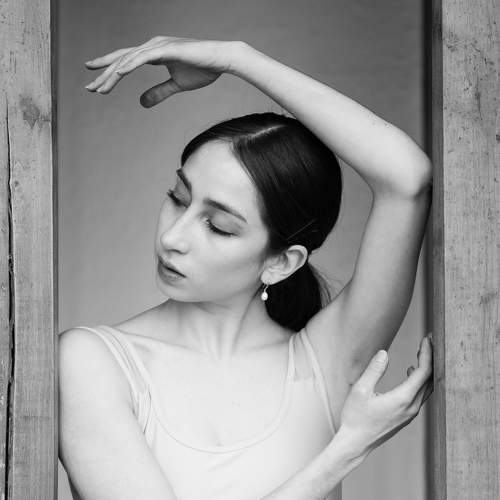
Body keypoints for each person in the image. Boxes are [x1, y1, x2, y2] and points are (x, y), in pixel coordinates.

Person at [58, 36, 434, 500]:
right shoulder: (92, 361)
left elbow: (406, 179)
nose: (172, 238)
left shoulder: (325, 363)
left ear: (280, 262)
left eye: (218, 227)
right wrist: (346, 450)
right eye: (178, 198)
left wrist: (238, 58)